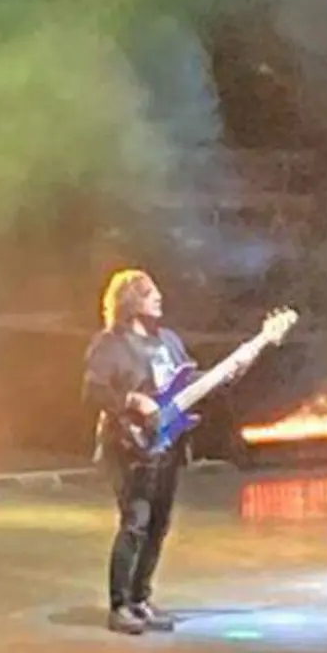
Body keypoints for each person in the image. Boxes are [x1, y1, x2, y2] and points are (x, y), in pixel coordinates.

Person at [83, 269, 193, 634]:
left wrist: (232, 370)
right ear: (129, 303)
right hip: (127, 446)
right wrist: (131, 400)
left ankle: (141, 598)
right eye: (149, 293)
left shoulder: (170, 341)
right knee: (135, 522)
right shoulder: (110, 344)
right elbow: (93, 392)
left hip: (167, 447)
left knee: (159, 524)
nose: (159, 298)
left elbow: (188, 384)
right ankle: (119, 605)